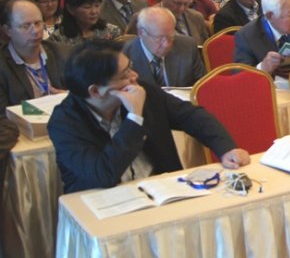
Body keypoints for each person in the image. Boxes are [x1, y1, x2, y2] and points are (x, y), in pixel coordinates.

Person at [47, 40, 249, 193]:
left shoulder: (143, 90)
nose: (134, 77)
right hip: (105, 204)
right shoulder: (64, 123)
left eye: (130, 67)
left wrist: (226, 148)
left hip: (159, 190)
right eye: (124, 75)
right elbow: (103, 175)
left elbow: (191, 115)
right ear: (95, 91)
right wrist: (134, 118)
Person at [0, 0, 71, 110]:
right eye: (25, 26)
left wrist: (69, 97)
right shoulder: (2, 65)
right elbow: (3, 116)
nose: (35, 31)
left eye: (38, 23)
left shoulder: (64, 53)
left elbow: (88, 95)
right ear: (8, 30)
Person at [123, 6, 205, 88]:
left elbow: (202, 86)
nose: (166, 44)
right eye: (159, 38)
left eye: (171, 37)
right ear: (141, 32)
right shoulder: (124, 56)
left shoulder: (187, 46)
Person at [53, 0, 122, 45]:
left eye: (97, 6)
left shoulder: (112, 32)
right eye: (87, 7)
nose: (94, 11)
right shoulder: (58, 39)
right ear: (71, 9)